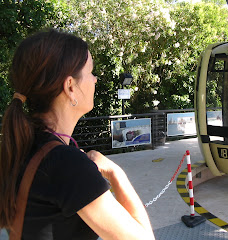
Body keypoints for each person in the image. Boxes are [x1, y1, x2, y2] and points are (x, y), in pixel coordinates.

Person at [0, 29, 155, 240]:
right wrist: (116, 174)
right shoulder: (66, 163)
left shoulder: (23, 145)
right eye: (91, 72)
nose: (95, 79)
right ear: (70, 87)